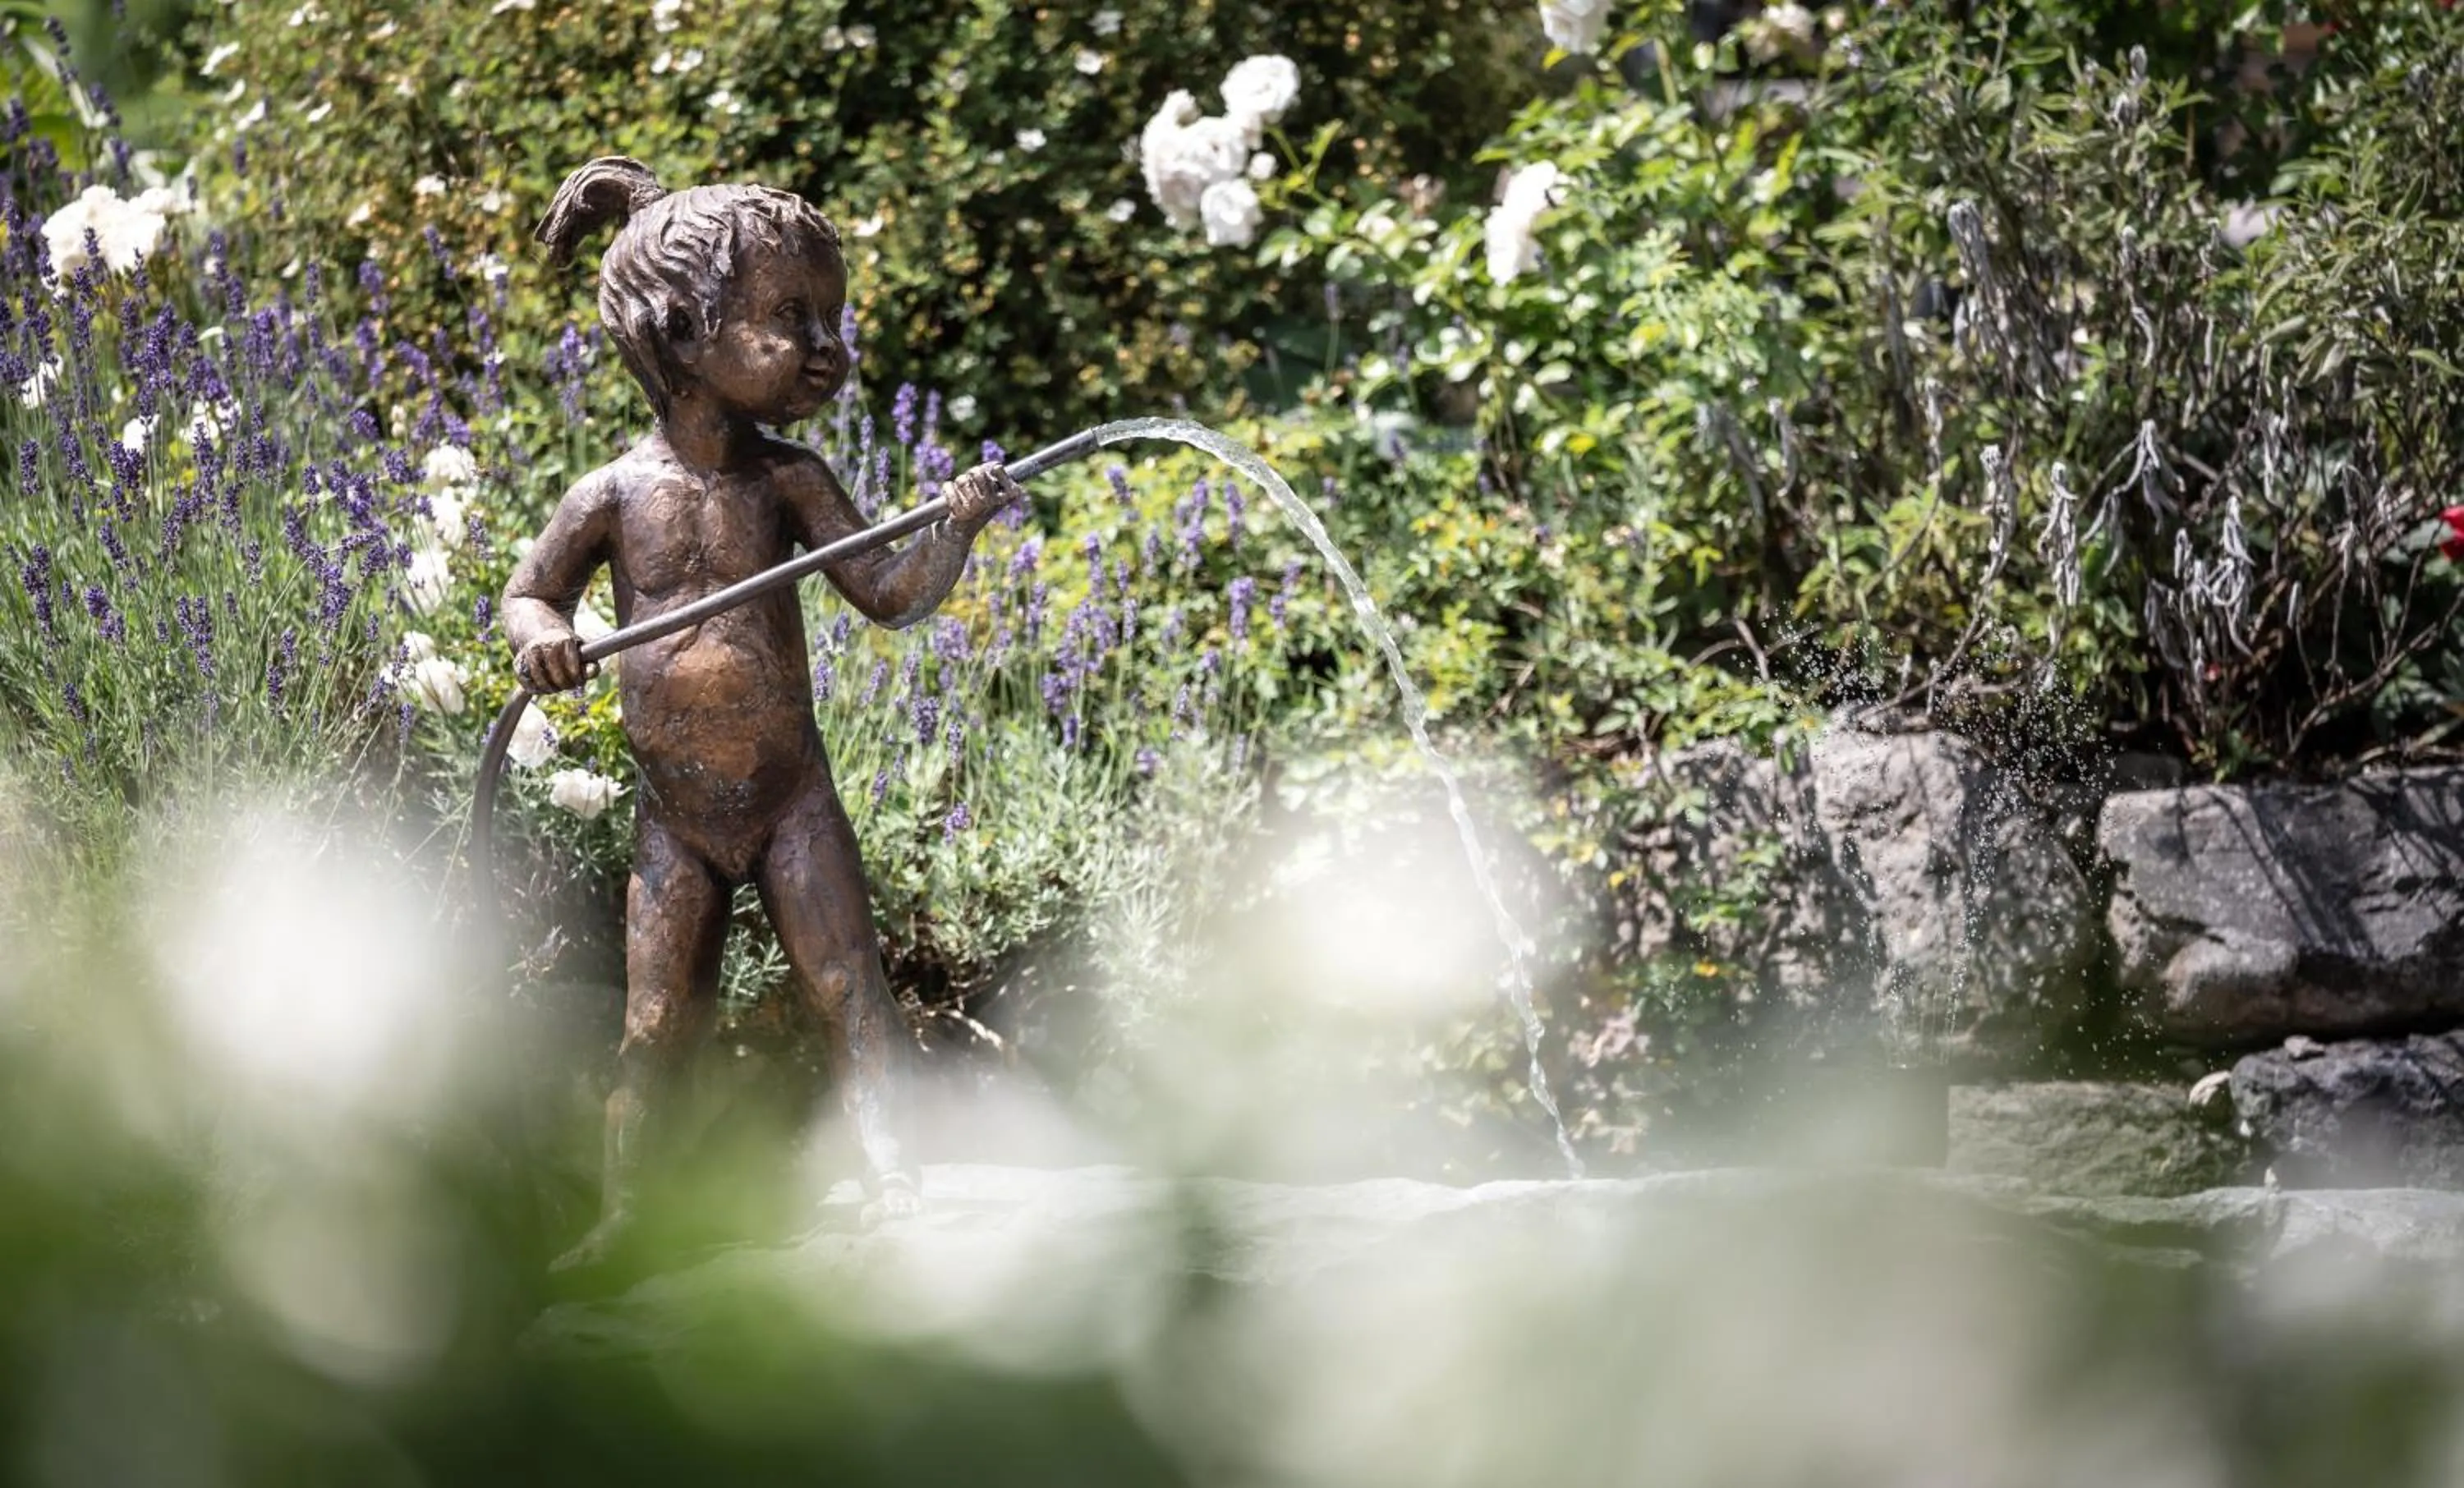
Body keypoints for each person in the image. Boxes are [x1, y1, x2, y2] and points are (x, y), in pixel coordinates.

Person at [506, 156, 1018, 1270]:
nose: (829, 345)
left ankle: (896, 1187)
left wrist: (957, 529)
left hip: (790, 802)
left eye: (832, 316)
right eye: (794, 316)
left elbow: (887, 596)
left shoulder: (790, 483)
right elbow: (530, 589)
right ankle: (631, 1214)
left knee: (848, 989)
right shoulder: (613, 496)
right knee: (656, 1026)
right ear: (685, 330)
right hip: (673, 817)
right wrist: (543, 639)